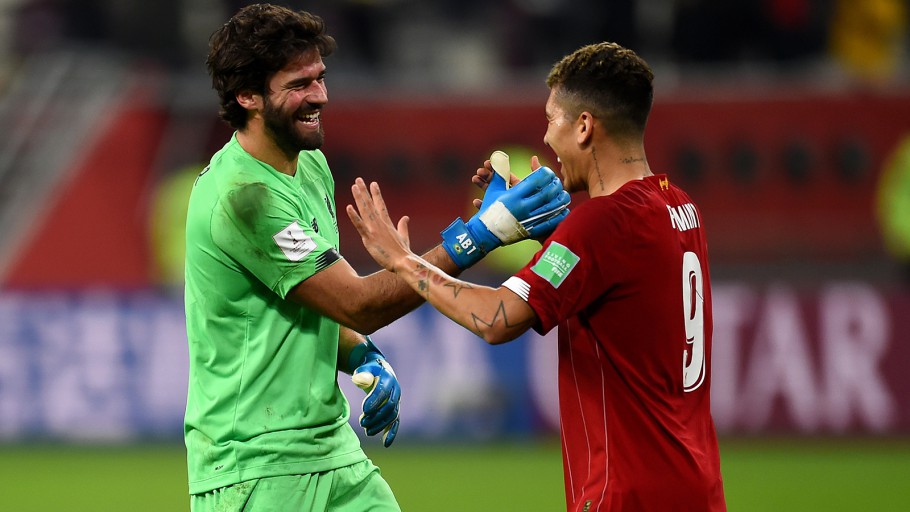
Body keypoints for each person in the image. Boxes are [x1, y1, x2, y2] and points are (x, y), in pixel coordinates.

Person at [183, 4, 569, 511]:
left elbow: (320, 302)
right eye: (298, 84)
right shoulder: (244, 197)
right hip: (255, 469)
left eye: (320, 78)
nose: (320, 96)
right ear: (247, 96)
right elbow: (356, 303)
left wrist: (363, 354)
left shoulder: (310, 166)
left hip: (333, 452)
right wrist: (483, 233)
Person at [348, 42, 727, 511]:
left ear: (584, 126)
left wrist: (404, 260)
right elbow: (617, 288)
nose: (546, 138)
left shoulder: (602, 224)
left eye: (551, 120)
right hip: (696, 485)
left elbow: (497, 319)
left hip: (627, 492)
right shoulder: (679, 205)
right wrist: (554, 234)